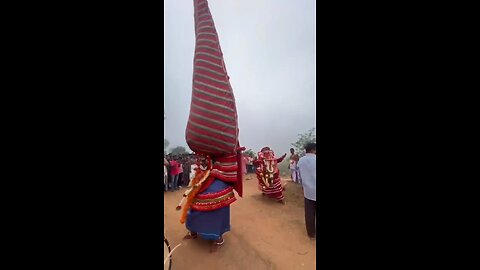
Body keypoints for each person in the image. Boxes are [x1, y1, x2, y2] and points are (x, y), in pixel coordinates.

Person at [297, 143, 316, 239]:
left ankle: (311, 233)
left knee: (309, 212)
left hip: (308, 190)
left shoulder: (301, 160)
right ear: (313, 149)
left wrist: (302, 185)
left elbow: (299, 175)